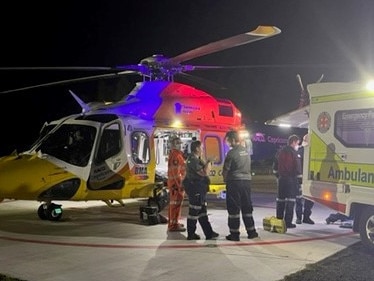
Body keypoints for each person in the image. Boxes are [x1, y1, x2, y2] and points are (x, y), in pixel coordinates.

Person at [222, 130, 258, 241]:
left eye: (228, 141)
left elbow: (225, 170)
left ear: (232, 140)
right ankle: (251, 232)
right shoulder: (246, 152)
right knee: (247, 207)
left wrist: (225, 179)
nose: (227, 143)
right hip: (246, 182)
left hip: (234, 182)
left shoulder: (231, 153)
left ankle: (234, 234)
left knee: (234, 209)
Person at [183, 140, 219, 240]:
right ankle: (191, 234)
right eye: (201, 148)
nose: (203, 149)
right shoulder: (193, 160)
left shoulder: (197, 159)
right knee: (194, 211)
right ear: (197, 148)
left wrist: (209, 162)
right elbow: (204, 173)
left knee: (202, 211)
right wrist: (208, 161)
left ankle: (209, 233)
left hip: (200, 189)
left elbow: (207, 170)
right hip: (195, 189)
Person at [273, 134, 302, 229]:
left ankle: (279, 221)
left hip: (281, 180)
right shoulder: (294, 153)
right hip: (291, 180)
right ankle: (288, 222)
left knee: (280, 201)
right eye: (297, 143)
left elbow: (274, 168)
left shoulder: (279, 151)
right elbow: (297, 169)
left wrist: (279, 176)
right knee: (290, 201)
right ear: (293, 142)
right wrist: (299, 182)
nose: (298, 145)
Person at [167, 136, 187, 232]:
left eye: (180, 143)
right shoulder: (176, 156)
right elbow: (176, 173)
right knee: (175, 205)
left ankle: (173, 223)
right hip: (176, 186)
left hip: (175, 185)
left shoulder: (175, 155)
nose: (180, 145)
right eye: (178, 143)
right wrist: (180, 186)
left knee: (174, 205)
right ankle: (173, 225)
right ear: (174, 144)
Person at [295, 134, 314, 224]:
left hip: (309, 179)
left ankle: (306, 217)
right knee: (299, 198)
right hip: (300, 179)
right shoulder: (300, 151)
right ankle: (299, 217)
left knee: (309, 199)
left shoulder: (311, 151)